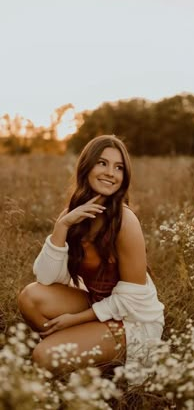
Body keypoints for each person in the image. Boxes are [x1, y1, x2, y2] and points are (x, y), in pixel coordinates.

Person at [18, 134, 164, 376]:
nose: (110, 173)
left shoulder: (125, 221)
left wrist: (73, 321)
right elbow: (45, 277)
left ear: (124, 177)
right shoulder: (74, 215)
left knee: (43, 356)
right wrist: (62, 226)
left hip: (132, 320)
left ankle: (102, 358)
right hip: (97, 303)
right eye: (102, 163)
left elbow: (131, 301)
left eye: (119, 168)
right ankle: (83, 349)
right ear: (87, 166)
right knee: (30, 297)